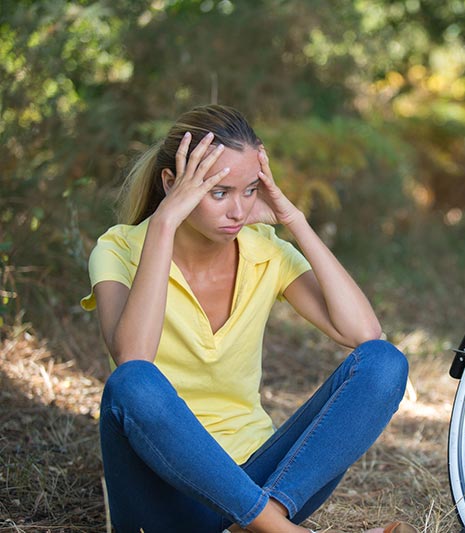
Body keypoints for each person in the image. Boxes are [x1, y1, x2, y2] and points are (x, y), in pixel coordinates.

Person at [81, 104, 415, 533]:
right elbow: (134, 356)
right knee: (132, 384)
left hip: (260, 481)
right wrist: (164, 224)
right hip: (162, 493)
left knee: (385, 363)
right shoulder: (118, 250)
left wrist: (294, 220)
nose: (238, 211)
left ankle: (258, 526)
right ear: (172, 183)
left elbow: (362, 332)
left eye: (249, 190)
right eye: (219, 193)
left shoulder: (264, 249)